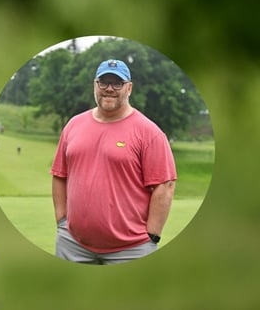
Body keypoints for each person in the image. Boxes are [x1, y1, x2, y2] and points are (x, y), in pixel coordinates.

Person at [51, 59, 177, 264]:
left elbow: (165, 186)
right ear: (95, 85)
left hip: (130, 250)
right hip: (72, 244)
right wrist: (62, 222)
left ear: (129, 88)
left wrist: (151, 237)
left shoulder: (149, 132)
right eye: (104, 82)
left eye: (117, 83)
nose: (109, 89)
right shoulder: (74, 124)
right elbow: (59, 174)